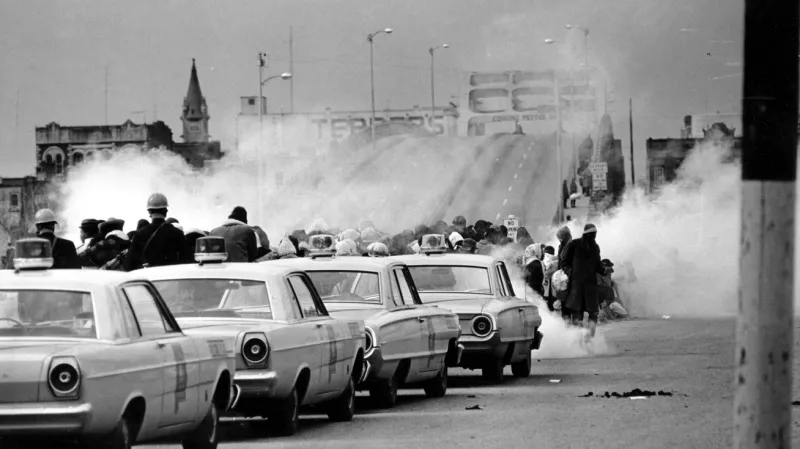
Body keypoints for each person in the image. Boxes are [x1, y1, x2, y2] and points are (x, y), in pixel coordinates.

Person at [561, 223, 609, 340]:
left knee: (593, 313)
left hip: (590, 285)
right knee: (577, 312)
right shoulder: (574, 244)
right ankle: (577, 340)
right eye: (592, 234)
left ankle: (589, 338)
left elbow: (597, 264)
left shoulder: (595, 247)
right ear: (586, 234)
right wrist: (570, 272)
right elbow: (564, 261)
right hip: (576, 285)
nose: (593, 236)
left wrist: (604, 270)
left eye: (594, 234)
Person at [125, 193, 188, 270]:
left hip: (147, 279)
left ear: (149, 212)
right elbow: (187, 261)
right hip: (171, 278)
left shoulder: (140, 234)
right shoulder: (177, 233)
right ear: (166, 211)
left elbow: (129, 265)